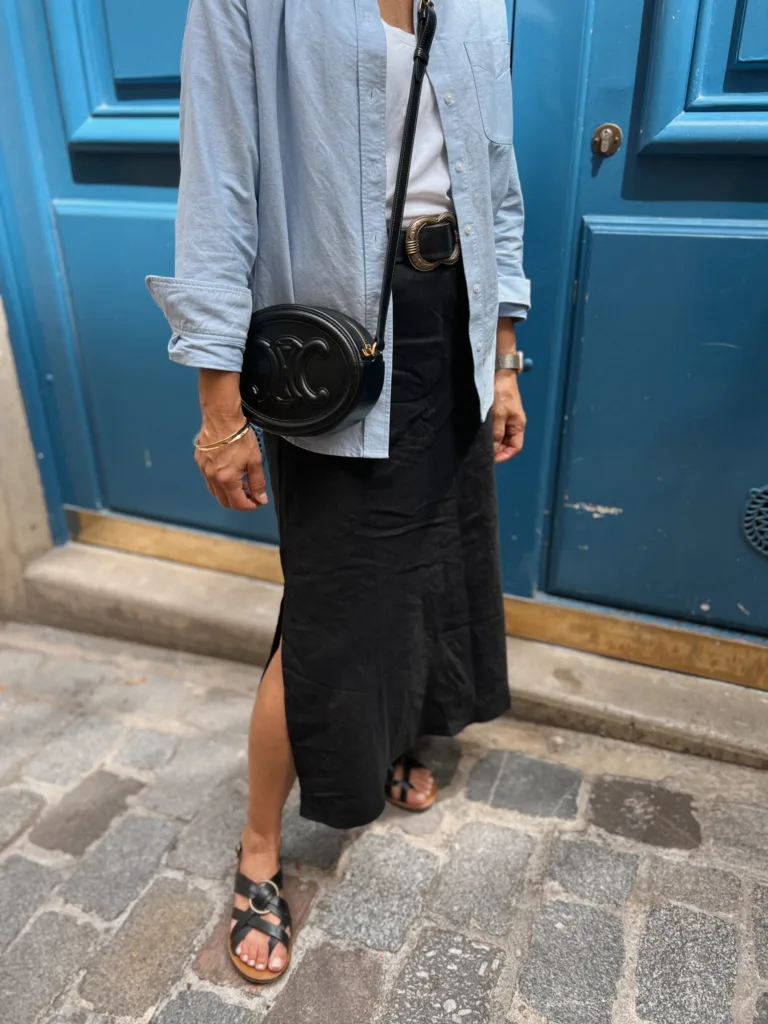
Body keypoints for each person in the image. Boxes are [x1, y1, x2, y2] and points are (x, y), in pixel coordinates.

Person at [148, 0, 530, 987]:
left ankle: (403, 732)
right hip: (342, 344)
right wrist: (219, 404)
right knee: (331, 597)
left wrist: (506, 354)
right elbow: (219, 190)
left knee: (436, 556)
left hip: (456, 317)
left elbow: (494, 174)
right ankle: (260, 847)